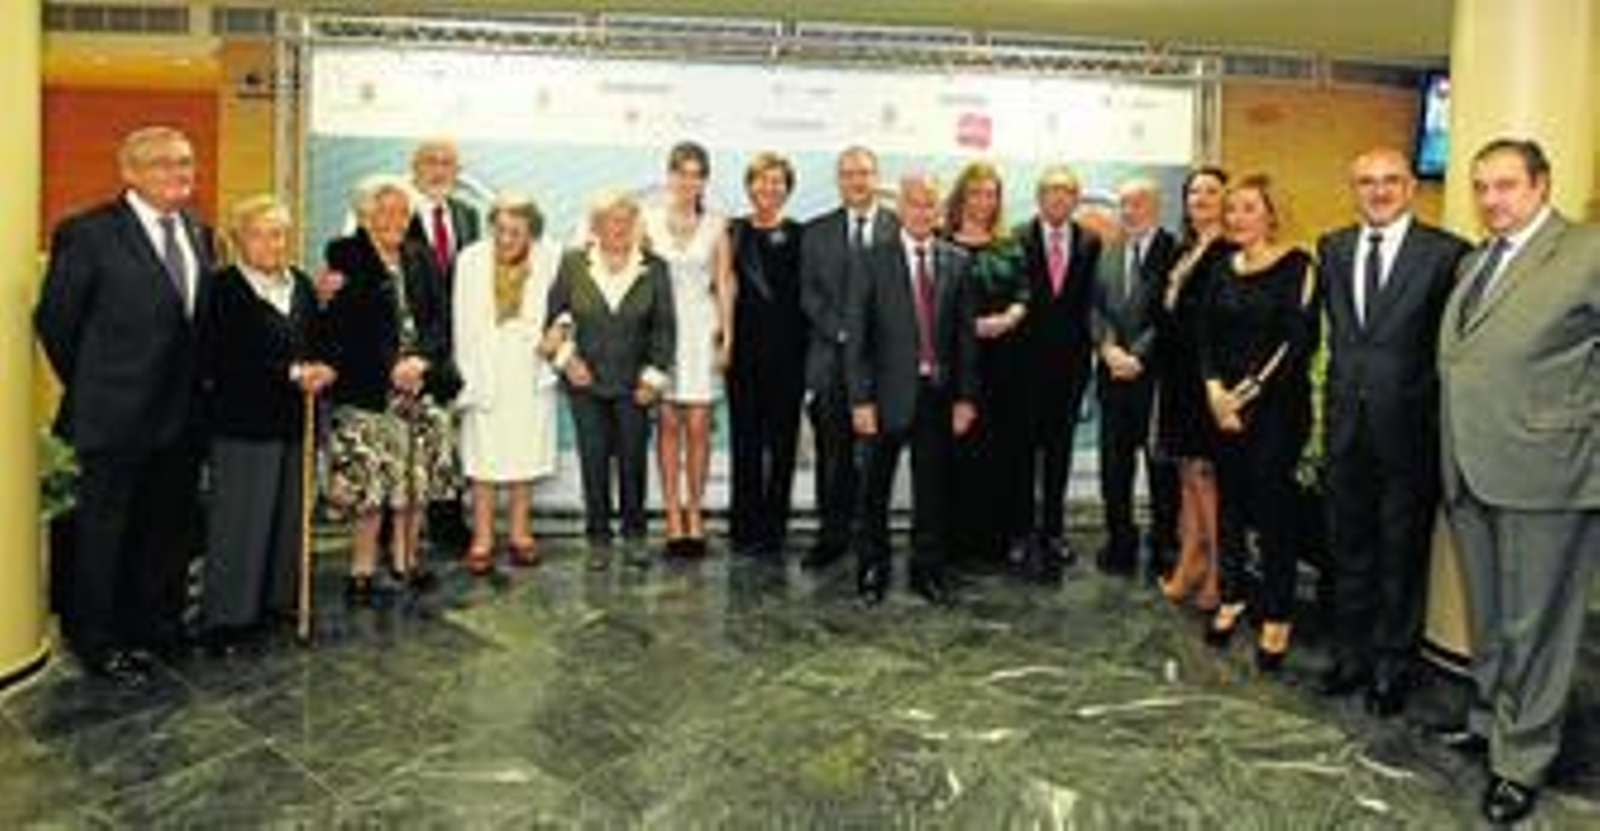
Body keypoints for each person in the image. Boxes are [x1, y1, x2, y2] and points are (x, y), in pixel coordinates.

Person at [1437, 138, 1600, 825]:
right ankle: (1490, 720)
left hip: (1547, 471)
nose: (1492, 199)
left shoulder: (1587, 251)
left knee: (1537, 622)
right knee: (1492, 615)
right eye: (1482, 187)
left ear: (1541, 185)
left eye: (1506, 185)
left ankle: (1523, 758)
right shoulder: (1478, 261)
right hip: (1471, 466)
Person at [36, 125, 216, 684]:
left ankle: (154, 628)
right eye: (162, 163)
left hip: (183, 417)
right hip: (114, 417)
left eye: (185, 162)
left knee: (165, 528)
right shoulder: (87, 233)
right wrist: (98, 387)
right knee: (104, 533)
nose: (179, 172)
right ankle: (97, 639)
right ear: (129, 172)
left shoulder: (198, 232)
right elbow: (56, 322)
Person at [1315, 148, 1469, 714]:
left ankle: (1390, 666)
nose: (1378, 191)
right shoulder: (1332, 248)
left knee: (1401, 553)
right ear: (1353, 188)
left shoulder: (1447, 254)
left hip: (1409, 431)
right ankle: (1349, 656)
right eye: (1366, 182)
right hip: (1346, 428)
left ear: (1410, 188)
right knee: (1348, 548)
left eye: (1390, 181)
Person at [200, 195, 335, 650]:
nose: (274, 243)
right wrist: (290, 373)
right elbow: (219, 359)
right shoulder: (221, 288)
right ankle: (230, 617)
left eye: (280, 233)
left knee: (287, 516)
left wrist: (322, 368)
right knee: (242, 518)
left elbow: (315, 342)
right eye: (261, 233)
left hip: (296, 419)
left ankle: (278, 600)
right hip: (242, 423)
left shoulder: (298, 283)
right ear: (239, 239)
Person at [319, 175, 460, 605]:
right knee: (371, 487)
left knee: (417, 481)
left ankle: (405, 560)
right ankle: (361, 570)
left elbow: (440, 320)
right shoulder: (344, 256)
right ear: (363, 215)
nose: (395, 220)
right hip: (368, 389)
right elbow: (342, 330)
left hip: (423, 386)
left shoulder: (422, 257)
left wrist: (421, 361)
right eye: (383, 212)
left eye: (402, 212)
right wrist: (390, 369)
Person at [1197, 174, 1318, 671]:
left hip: (1275, 409)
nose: (1237, 217)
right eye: (1231, 210)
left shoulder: (1298, 266)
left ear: (1271, 214)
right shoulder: (1221, 267)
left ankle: (1277, 611)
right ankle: (1233, 595)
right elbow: (1203, 335)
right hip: (1222, 407)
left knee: (1273, 511)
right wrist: (1214, 393)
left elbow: (1296, 341)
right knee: (1230, 505)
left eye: (1248, 208)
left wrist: (1241, 397)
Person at [847, 173, 979, 607]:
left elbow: (965, 339)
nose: (922, 211)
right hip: (883, 397)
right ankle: (872, 568)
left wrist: (965, 398)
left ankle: (927, 571)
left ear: (939, 210)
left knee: (932, 491)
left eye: (930, 204)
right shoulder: (871, 259)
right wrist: (861, 400)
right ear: (900, 207)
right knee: (872, 491)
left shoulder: (957, 261)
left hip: (937, 396)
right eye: (914, 203)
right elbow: (859, 339)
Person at [546, 191, 675, 568]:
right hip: (585, 383)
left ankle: (635, 535)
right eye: (608, 220)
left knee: (634, 461)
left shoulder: (655, 267)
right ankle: (598, 539)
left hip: (635, 386)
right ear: (596, 225)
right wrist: (568, 361)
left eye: (624, 220)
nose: (617, 227)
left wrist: (653, 378)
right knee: (594, 459)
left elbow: (664, 329)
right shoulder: (572, 264)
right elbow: (554, 319)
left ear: (635, 225)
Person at [799, 146, 899, 570]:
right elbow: (809, 295)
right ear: (839, 180)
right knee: (833, 456)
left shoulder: (900, 228)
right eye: (848, 174)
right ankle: (831, 536)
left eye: (864, 173)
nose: (857, 181)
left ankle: (871, 537)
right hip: (831, 364)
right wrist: (844, 332)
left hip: (885, 368)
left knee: (876, 458)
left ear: (876, 177)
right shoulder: (816, 231)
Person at [452, 194, 562, 575]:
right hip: (483, 367)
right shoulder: (469, 259)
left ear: (532, 230)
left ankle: (520, 534)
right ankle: (482, 538)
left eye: (516, 231)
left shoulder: (551, 258)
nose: (506, 238)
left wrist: (559, 331)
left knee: (522, 455)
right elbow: (460, 321)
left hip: (529, 368)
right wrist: (466, 377)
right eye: (499, 229)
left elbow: (565, 309)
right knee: (483, 459)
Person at [645, 142, 734, 557]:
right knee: (667, 426)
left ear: (704, 180)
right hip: (662, 333)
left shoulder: (717, 225)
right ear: (670, 175)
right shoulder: (647, 221)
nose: (688, 181)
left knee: (698, 426)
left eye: (696, 174)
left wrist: (728, 336)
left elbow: (724, 282)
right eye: (681, 172)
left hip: (701, 331)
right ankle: (672, 516)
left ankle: (695, 511)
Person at [1012, 165, 1101, 579]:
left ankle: (1054, 530)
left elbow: (1092, 307)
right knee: (1023, 453)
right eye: (1051, 191)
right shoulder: (1016, 238)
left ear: (1076, 198)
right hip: (1024, 369)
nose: (1059, 199)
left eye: (1067, 192)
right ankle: (1023, 531)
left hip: (1070, 369)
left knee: (1059, 453)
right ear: (1039, 196)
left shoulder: (1091, 242)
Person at [1151, 167, 1232, 610]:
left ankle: (1219, 575)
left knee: (1206, 478)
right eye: (1193, 190)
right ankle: (1190, 563)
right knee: (1187, 476)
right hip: (1177, 377)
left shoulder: (1226, 251)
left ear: (1225, 198)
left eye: (1211, 190)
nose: (1200, 197)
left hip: (1206, 380)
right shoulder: (1185, 249)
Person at [942, 162, 1029, 572]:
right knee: (956, 450)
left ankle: (997, 539)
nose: (983, 201)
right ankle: (955, 539)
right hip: (955, 362)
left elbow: (1024, 292)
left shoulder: (1009, 244)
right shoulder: (941, 242)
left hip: (1005, 362)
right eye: (975, 192)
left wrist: (1011, 316)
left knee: (1001, 450)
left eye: (991, 193)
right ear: (962, 196)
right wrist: (967, 326)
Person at [1091, 178, 1179, 577]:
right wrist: (1107, 348)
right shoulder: (1107, 252)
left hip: (1156, 378)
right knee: (1114, 466)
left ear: (1157, 206)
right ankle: (1120, 542)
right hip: (1112, 377)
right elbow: (1094, 308)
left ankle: (1164, 546)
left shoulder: (1176, 252)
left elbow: (1170, 316)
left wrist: (1138, 355)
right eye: (1124, 203)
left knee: (1160, 468)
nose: (1130, 210)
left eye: (1139, 202)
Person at [726, 153, 806, 561]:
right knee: (745, 444)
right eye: (761, 180)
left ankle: (773, 529)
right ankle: (744, 528)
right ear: (749, 185)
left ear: (787, 189)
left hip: (790, 357)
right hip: (741, 356)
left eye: (777, 181)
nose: (768, 188)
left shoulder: (801, 234)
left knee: (783, 446)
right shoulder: (732, 232)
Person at [406, 139, 481, 561]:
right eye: (430, 162)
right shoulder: (395, 209)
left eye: (447, 163)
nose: (439, 170)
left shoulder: (467, 216)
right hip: (409, 347)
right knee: (407, 437)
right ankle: (395, 532)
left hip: (455, 346)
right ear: (414, 168)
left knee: (445, 439)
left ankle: (447, 523)